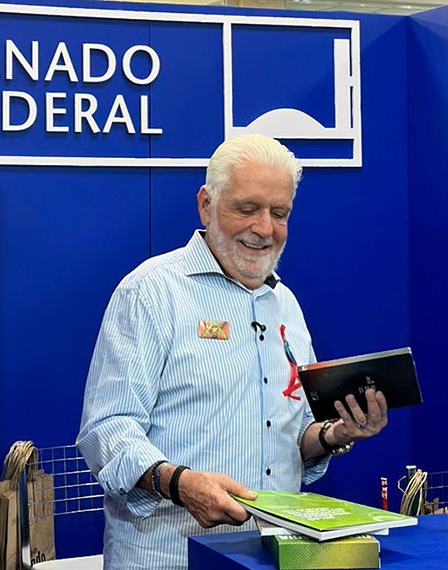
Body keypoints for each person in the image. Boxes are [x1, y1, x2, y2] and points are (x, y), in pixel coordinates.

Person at [77, 134, 389, 569]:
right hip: (170, 557)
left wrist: (334, 435)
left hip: (271, 555)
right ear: (206, 204)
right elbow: (107, 429)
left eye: (279, 213)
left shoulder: (285, 304)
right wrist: (180, 483)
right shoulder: (152, 291)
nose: (264, 228)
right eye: (247, 208)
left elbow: (289, 436)